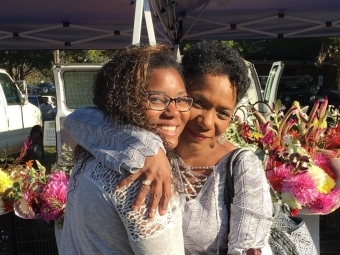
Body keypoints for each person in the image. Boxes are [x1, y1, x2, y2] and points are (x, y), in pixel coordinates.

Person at [64, 41, 273, 254]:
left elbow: (247, 247)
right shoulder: (147, 153)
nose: (207, 123)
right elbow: (75, 122)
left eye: (222, 113)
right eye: (198, 102)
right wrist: (145, 150)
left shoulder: (241, 167)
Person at [60, 44, 194, 255]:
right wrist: (145, 148)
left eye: (182, 99)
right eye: (157, 99)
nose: (174, 111)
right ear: (124, 102)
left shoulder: (99, 153)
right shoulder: (143, 178)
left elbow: (74, 121)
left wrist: (146, 146)